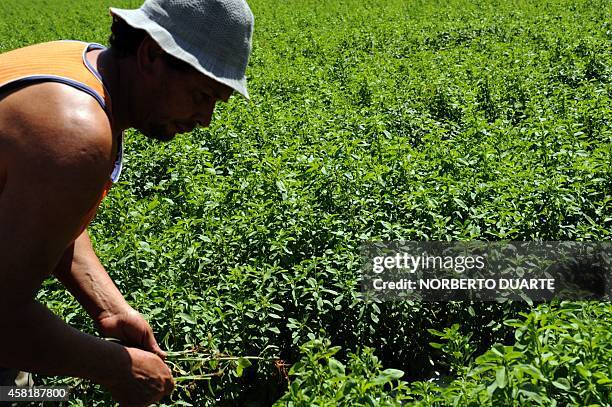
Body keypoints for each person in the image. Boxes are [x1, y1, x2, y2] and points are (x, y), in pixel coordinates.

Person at [0, 0, 253, 405]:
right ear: (151, 53)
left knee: (24, 395)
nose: (205, 118)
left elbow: (50, 219)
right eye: (201, 94)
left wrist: (109, 308)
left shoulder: (79, 64)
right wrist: (117, 366)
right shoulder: (74, 133)